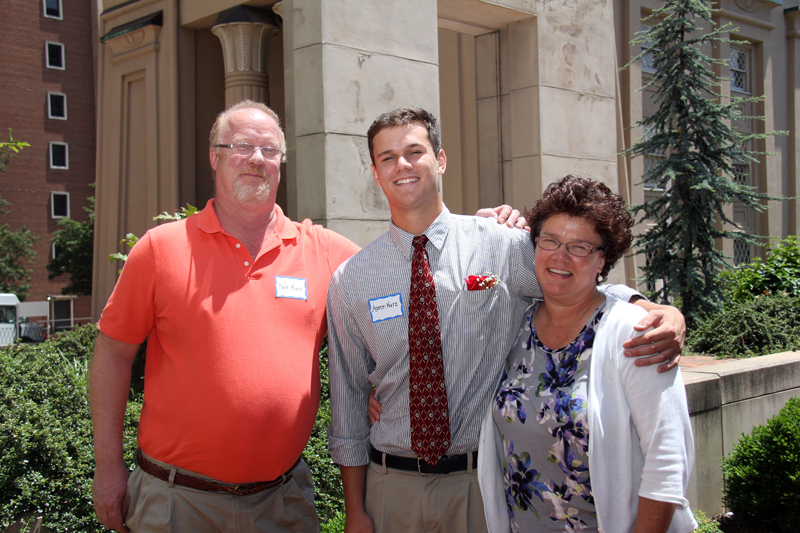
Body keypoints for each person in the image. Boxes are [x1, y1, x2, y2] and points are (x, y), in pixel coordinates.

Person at [90, 99, 528, 533]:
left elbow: (411, 293)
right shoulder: (161, 248)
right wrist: (108, 468)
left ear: (282, 161)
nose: (256, 160)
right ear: (215, 157)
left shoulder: (325, 253)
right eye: (241, 146)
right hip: (177, 502)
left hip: (282, 503)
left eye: (270, 150)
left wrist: (491, 232)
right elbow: (111, 354)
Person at [326, 108, 686, 533]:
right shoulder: (352, 279)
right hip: (390, 487)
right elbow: (347, 401)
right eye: (387, 157)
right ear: (374, 172)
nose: (402, 165)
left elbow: (571, 279)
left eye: (414, 151)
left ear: (440, 160)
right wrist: (355, 510)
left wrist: (653, 309)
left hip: (481, 486)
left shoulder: (502, 245)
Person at [478, 175, 696, 533]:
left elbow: (668, 458)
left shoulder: (634, 332)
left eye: (580, 247)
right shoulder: (517, 324)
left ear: (602, 260)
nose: (560, 256)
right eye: (550, 240)